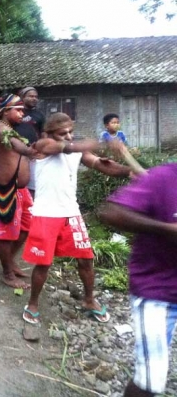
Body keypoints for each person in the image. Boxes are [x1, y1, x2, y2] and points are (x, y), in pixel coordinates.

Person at [22, 112, 131, 325]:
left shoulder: (76, 151)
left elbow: (101, 164)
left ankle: (89, 300)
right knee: (43, 264)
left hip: (71, 212)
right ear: (48, 133)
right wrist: (104, 143)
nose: (69, 136)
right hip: (46, 214)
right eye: (63, 133)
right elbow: (67, 148)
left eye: (71, 132)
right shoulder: (43, 146)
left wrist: (129, 172)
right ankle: (33, 303)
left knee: (86, 259)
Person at [99, 165, 175, 397]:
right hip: (157, 292)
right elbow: (109, 212)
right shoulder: (163, 178)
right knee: (151, 379)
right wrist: (167, 230)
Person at [0, 94, 37, 289]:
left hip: (21, 191)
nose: (22, 112)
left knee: (26, 229)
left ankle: (11, 263)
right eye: (17, 109)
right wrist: (36, 148)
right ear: (4, 111)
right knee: (6, 235)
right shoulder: (2, 131)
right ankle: (7, 274)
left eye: (22, 109)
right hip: (6, 191)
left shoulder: (11, 131)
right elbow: (24, 150)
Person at [16, 86, 46, 197]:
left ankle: (31, 207)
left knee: (32, 185)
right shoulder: (16, 113)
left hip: (33, 155)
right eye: (31, 96)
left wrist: (42, 150)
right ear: (22, 97)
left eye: (36, 97)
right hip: (16, 154)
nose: (34, 99)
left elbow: (43, 134)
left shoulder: (39, 115)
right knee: (18, 183)